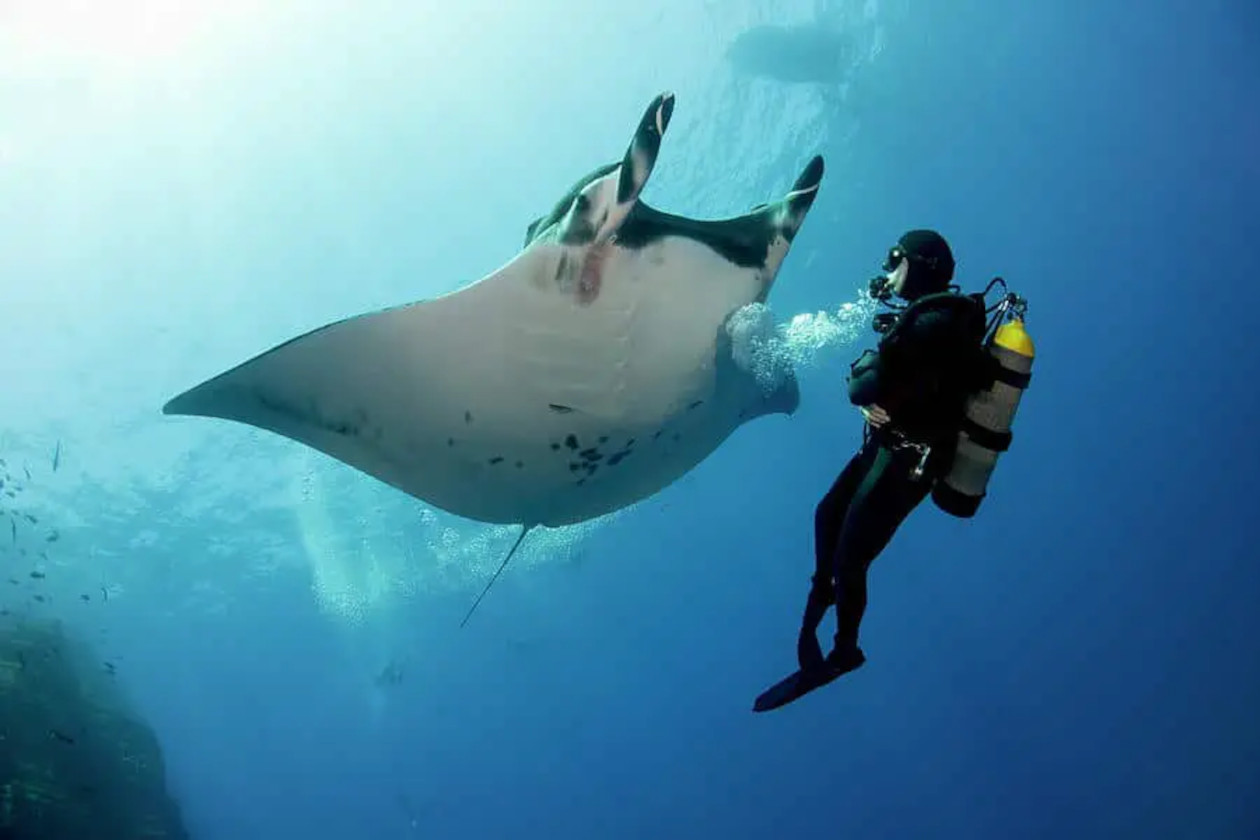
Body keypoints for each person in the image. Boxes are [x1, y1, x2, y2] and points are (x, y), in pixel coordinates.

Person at [795, 229, 988, 679]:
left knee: (851, 557)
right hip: (889, 445)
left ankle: (844, 650)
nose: (888, 270)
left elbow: (864, 386)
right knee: (826, 516)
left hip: (909, 462)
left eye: (896, 260)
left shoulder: (930, 324)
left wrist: (865, 381)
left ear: (919, 265)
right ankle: (819, 602)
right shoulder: (935, 319)